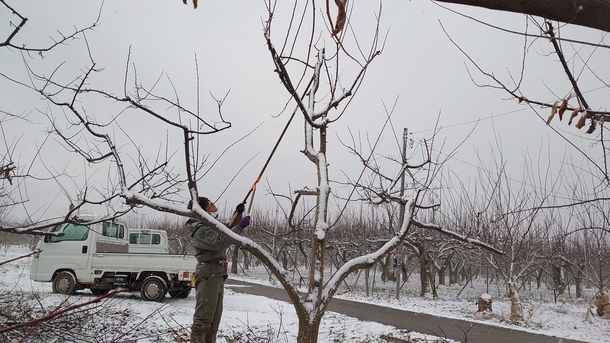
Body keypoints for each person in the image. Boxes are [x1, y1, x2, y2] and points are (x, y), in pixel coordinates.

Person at [187, 196, 250, 343]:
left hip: (217, 274)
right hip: (209, 275)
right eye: (207, 203)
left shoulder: (209, 225)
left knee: (213, 322)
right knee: (202, 321)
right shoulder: (200, 230)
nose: (212, 203)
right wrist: (240, 227)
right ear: (201, 210)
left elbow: (226, 230)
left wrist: (238, 214)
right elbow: (220, 242)